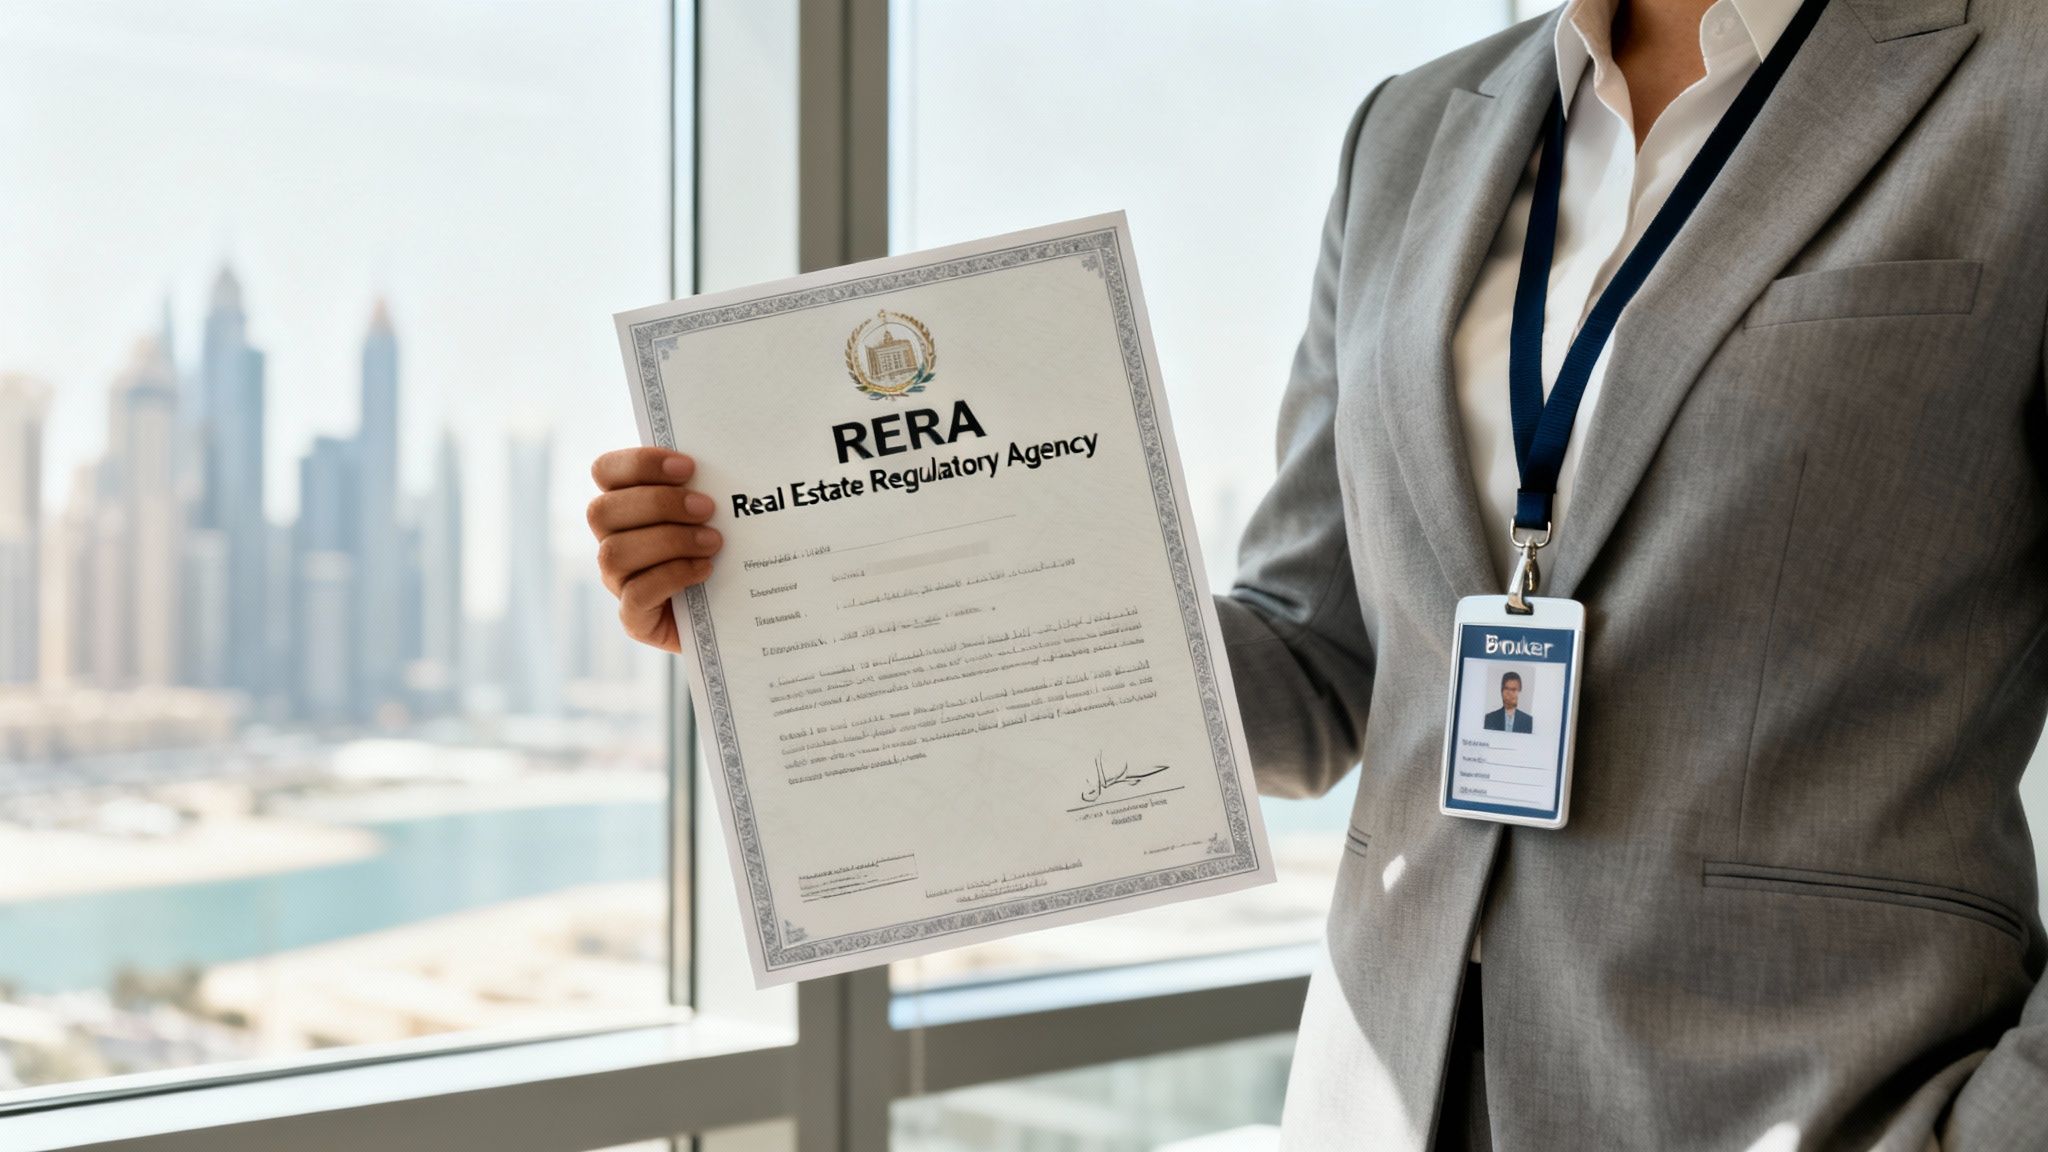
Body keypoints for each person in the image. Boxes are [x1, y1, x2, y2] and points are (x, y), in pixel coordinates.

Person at [590, 0, 2048, 1146]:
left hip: (1824, 1102)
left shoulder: (2016, 86)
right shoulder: (1412, 133)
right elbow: (1313, 666)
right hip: (1384, 1097)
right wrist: (806, 604)